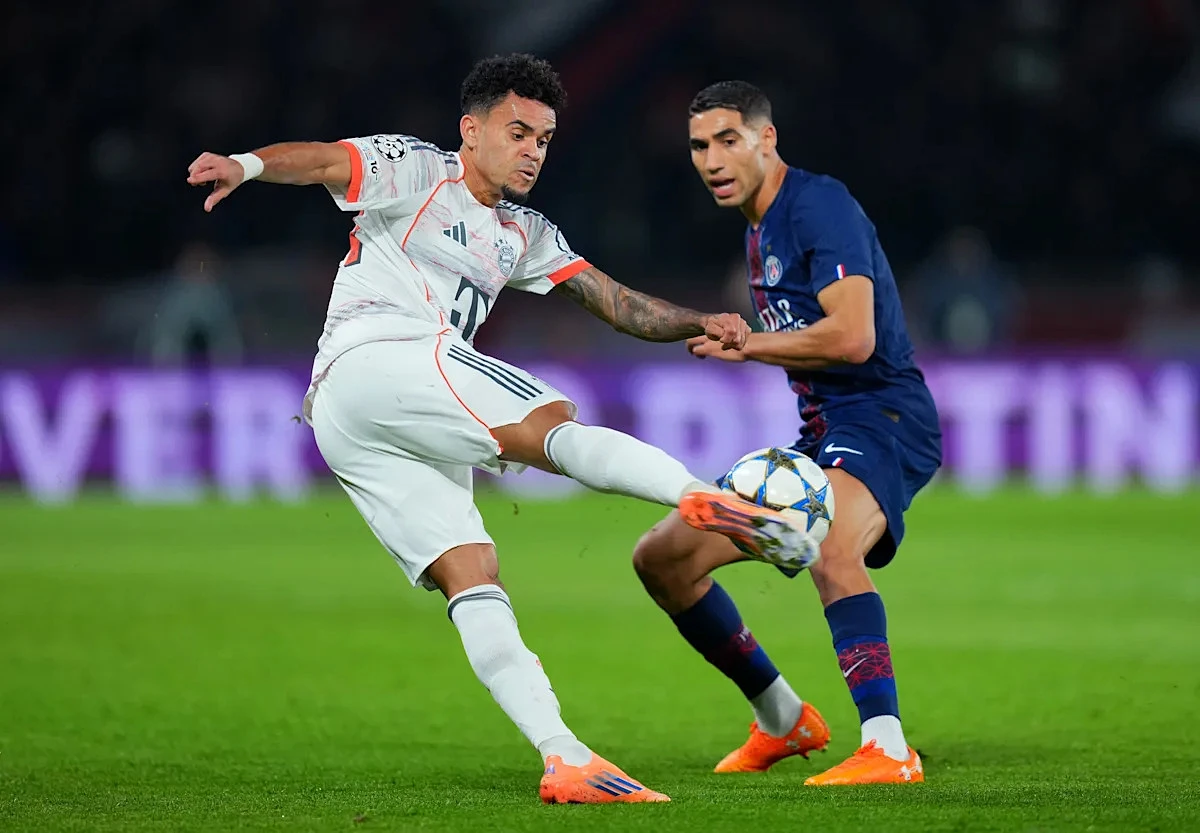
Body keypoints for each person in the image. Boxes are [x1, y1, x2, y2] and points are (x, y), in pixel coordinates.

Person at [186, 55, 821, 805]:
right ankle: (705, 499)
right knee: (550, 423)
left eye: (544, 139)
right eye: (517, 132)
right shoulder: (418, 169)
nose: (532, 151)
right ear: (471, 129)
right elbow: (325, 161)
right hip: (385, 351)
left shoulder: (522, 232)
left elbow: (617, 303)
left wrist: (700, 321)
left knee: (471, 571)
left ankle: (565, 759)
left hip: (348, 415)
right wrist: (246, 165)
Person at [632, 81, 943, 786]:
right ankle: (782, 718)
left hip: (885, 417)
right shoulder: (758, 228)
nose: (712, 159)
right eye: (699, 146)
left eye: (728, 140)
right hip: (823, 431)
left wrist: (749, 345)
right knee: (664, 558)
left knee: (832, 543)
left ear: (766, 139)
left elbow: (855, 337)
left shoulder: (817, 206)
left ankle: (888, 747)